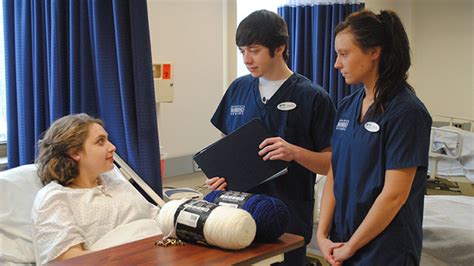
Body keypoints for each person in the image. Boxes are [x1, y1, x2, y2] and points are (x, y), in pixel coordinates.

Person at [207, 10, 336, 265]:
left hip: (287, 217)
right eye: (242, 51)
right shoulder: (238, 89)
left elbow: (332, 163)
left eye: (254, 50)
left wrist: (295, 153)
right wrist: (217, 175)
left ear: (279, 47)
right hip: (237, 213)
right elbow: (225, 146)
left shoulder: (312, 97)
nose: (246, 59)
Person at [316, 10, 432, 265]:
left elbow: (394, 195)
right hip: (342, 241)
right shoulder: (347, 106)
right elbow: (335, 173)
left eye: (344, 54)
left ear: (373, 52)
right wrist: (322, 235)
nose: (337, 64)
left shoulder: (406, 112)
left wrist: (352, 246)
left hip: (385, 250)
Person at [32, 113, 161, 265]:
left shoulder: (116, 183)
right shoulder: (54, 198)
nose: (112, 147)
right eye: (101, 142)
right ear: (74, 152)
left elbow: (157, 219)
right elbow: (70, 259)